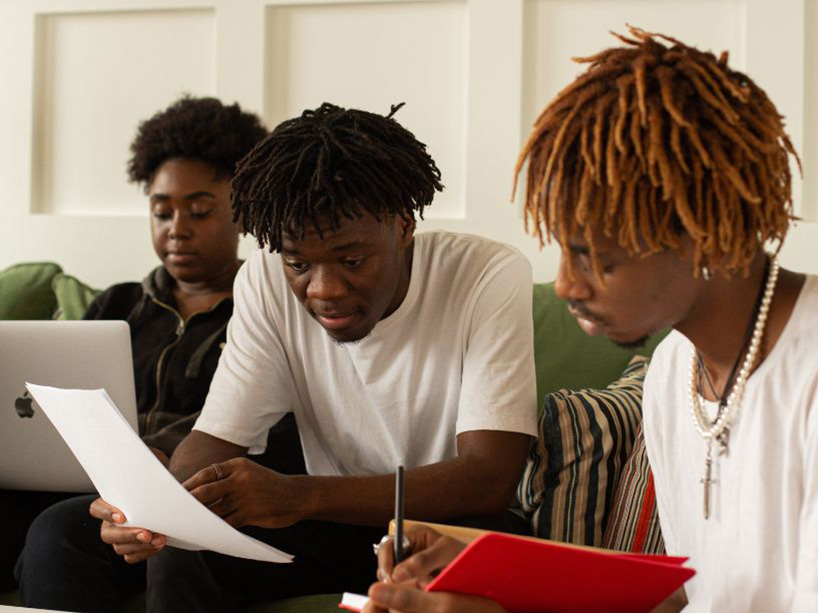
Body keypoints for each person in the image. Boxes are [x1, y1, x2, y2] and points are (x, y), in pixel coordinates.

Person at [362, 26, 816, 613]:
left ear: (701, 237)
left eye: (594, 256)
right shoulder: (674, 369)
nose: (568, 285)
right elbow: (694, 589)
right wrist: (490, 566)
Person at [86, 101, 538, 612]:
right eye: (299, 263)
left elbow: (487, 478)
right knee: (183, 550)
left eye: (352, 260)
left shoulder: (486, 274)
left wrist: (301, 495)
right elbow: (216, 437)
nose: (324, 291)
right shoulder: (262, 276)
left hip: (448, 529)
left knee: (482, 549)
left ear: (403, 226)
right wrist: (156, 509)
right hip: (334, 526)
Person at [14, 96, 288, 612]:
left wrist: (163, 464)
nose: (177, 228)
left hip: (171, 492)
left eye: (200, 210)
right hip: (79, 477)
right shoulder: (119, 304)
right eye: (162, 211)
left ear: (243, 209)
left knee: (59, 534)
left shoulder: (267, 310)